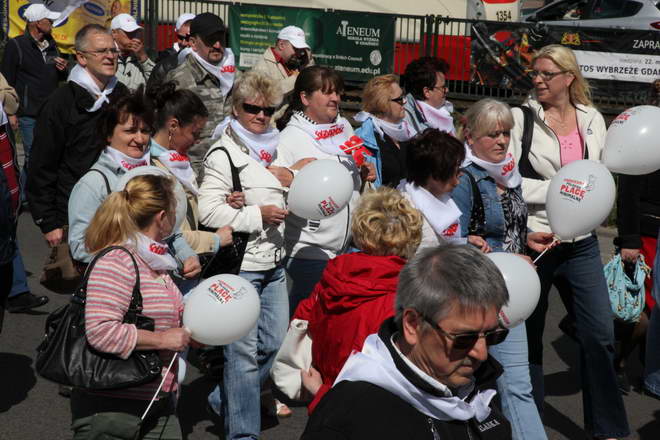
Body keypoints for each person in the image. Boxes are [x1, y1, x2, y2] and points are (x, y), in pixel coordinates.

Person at [508, 44, 629, 439]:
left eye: (546, 74)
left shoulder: (592, 118)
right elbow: (507, 180)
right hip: (537, 240)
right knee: (529, 339)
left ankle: (608, 428)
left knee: (600, 335)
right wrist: (559, 191)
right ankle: (528, 427)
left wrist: (584, 195)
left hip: (583, 242)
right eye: (535, 74)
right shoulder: (521, 118)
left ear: (568, 78)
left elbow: (601, 173)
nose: (538, 80)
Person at [300, 244, 512, 439]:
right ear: (412, 325)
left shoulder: (479, 383)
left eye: (493, 335)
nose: (482, 354)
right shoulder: (350, 418)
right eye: (464, 339)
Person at [198, 70, 293, 440]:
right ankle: (242, 435)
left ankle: (224, 399)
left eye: (268, 110)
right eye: (252, 108)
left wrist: (293, 181)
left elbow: (294, 191)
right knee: (242, 356)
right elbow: (208, 212)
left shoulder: (278, 146)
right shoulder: (224, 152)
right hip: (242, 267)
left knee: (271, 344)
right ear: (236, 109)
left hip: (274, 264)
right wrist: (256, 215)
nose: (260, 116)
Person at [452, 98, 553, 440]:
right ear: (470, 136)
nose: (501, 141)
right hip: (476, 298)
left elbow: (503, 227)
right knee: (463, 390)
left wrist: (527, 237)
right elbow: (457, 240)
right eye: (492, 134)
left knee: (515, 386)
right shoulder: (465, 178)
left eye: (506, 134)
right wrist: (506, 256)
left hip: (512, 297)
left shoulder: (508, 173)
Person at [70, 174, 191, 439]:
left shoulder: (156, 262)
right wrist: (161, 339)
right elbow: (100, 331)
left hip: (158, 399)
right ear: (162, 217)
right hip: (112, 408)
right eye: (174, 212)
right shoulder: (118, 259)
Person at [293, 187, 422, 413]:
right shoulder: (408, 296)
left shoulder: (333, 276)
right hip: (379, 410)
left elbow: (301, 322)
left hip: (326, 396)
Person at [27, 24, 127, 284]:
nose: (110, 56)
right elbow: (41, 165)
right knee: (85, 297)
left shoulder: (122, 96)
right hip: (78, 216)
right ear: (81, 57)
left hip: (121, 212)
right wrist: (48, 221)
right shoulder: (61, 102)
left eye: (113, 50)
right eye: (101, 51)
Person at [67, 88, 200, 282]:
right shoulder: (94, 183)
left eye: (145, 131)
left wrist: (187, 256)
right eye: (130, 131)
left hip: (160, 287)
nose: (140, 139)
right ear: (108, 135)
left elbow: (171, 232)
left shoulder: (156, 172)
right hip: (117, 290)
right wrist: (137, 257)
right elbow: (80, 248)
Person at [272, 65, 375, 314]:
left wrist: (362, 175)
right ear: (305, 98)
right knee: (304, 327)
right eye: (327, 92)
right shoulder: (289, 139)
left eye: (337, 92)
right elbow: (276, 188)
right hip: (308, 254)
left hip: (345, 249)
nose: (336, 99)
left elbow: (344, 181)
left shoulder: (343, 128)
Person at [148, 81, 232, 259]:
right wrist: (215, 239)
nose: (197, 141)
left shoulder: (179, 164)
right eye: (195, 133)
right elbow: (167, 234)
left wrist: (222, 202)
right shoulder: (150, 170)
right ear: (173, 126)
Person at [1, 3, 68, 200]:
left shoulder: (51, 44)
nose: (52, 24)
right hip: (27, 113)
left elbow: (59, 77)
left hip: (49, 111)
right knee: (32, 156)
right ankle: (24, 197)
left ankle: (26, 194)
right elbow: (6, 80)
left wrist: (63, 69)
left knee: (46, 155)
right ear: (37, 23)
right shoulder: (16, 45)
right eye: (49, 20)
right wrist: (11, 112)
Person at [165, 12, 235, 177]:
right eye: (211, 40)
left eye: (221, 39)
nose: (218, 45)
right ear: (193, 43)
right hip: (193, 173)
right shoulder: (180, 79)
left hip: (229, 169)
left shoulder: (234, 76)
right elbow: (166, 133)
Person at [397, 128, 478, 249]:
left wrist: (465, 241)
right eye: (455, 170)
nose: (461, 174)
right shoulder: (404, 211)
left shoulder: (440, 194)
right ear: (435, 174)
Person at [354, 74, 413, 188]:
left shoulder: (406, 132)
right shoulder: (362, 139)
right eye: (400, 99)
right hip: (383, 204)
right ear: (383, 104)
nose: (405, 101)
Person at [251, 25, 312, 104]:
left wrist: (308, 60)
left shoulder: (294, 63)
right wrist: (296, 78)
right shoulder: (262, 65)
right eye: (296, 49)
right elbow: (267, 94)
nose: (299, 54)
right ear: (281, 45)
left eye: (301, 50)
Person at [402, 56, 455, 136]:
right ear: (427, 92)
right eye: (443, 87)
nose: (447, 90)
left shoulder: (444, 112)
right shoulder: (404, 118)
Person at [147, 13, 195, 90]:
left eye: (188, 38)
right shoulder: (164, 63)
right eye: (180, 37)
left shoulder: (209, 61)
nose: (183, 43)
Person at [110, 14, 154, 91]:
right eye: (128, 32)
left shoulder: (140, 56)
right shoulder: (106, 56)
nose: (134, 37)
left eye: (135, 32)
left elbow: (155, 82)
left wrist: (144, 58)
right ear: (114, 33)